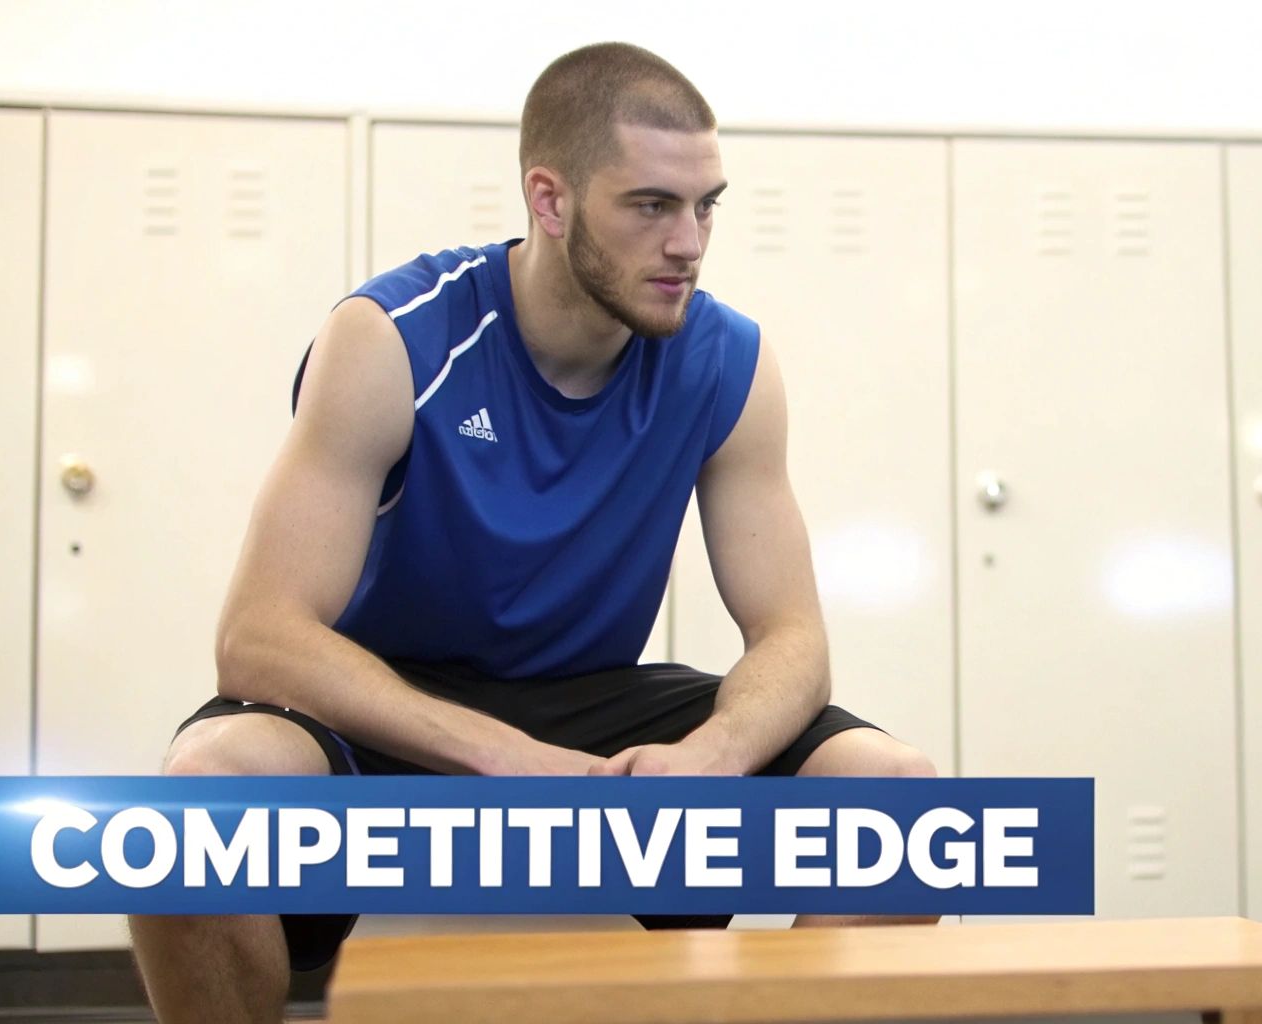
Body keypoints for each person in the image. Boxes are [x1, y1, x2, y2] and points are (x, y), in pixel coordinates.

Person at [129, 41, 936, 1024]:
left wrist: (720, 750)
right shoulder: (391, 340)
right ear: (549, 202)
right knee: (190, 806)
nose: (688, 241)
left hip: (592, 703)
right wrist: (501, 754)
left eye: (704, 205)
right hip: (388, 697)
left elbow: (793, 639)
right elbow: (257, 636)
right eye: (649, 205)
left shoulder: (731, 362)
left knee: (897, 794)